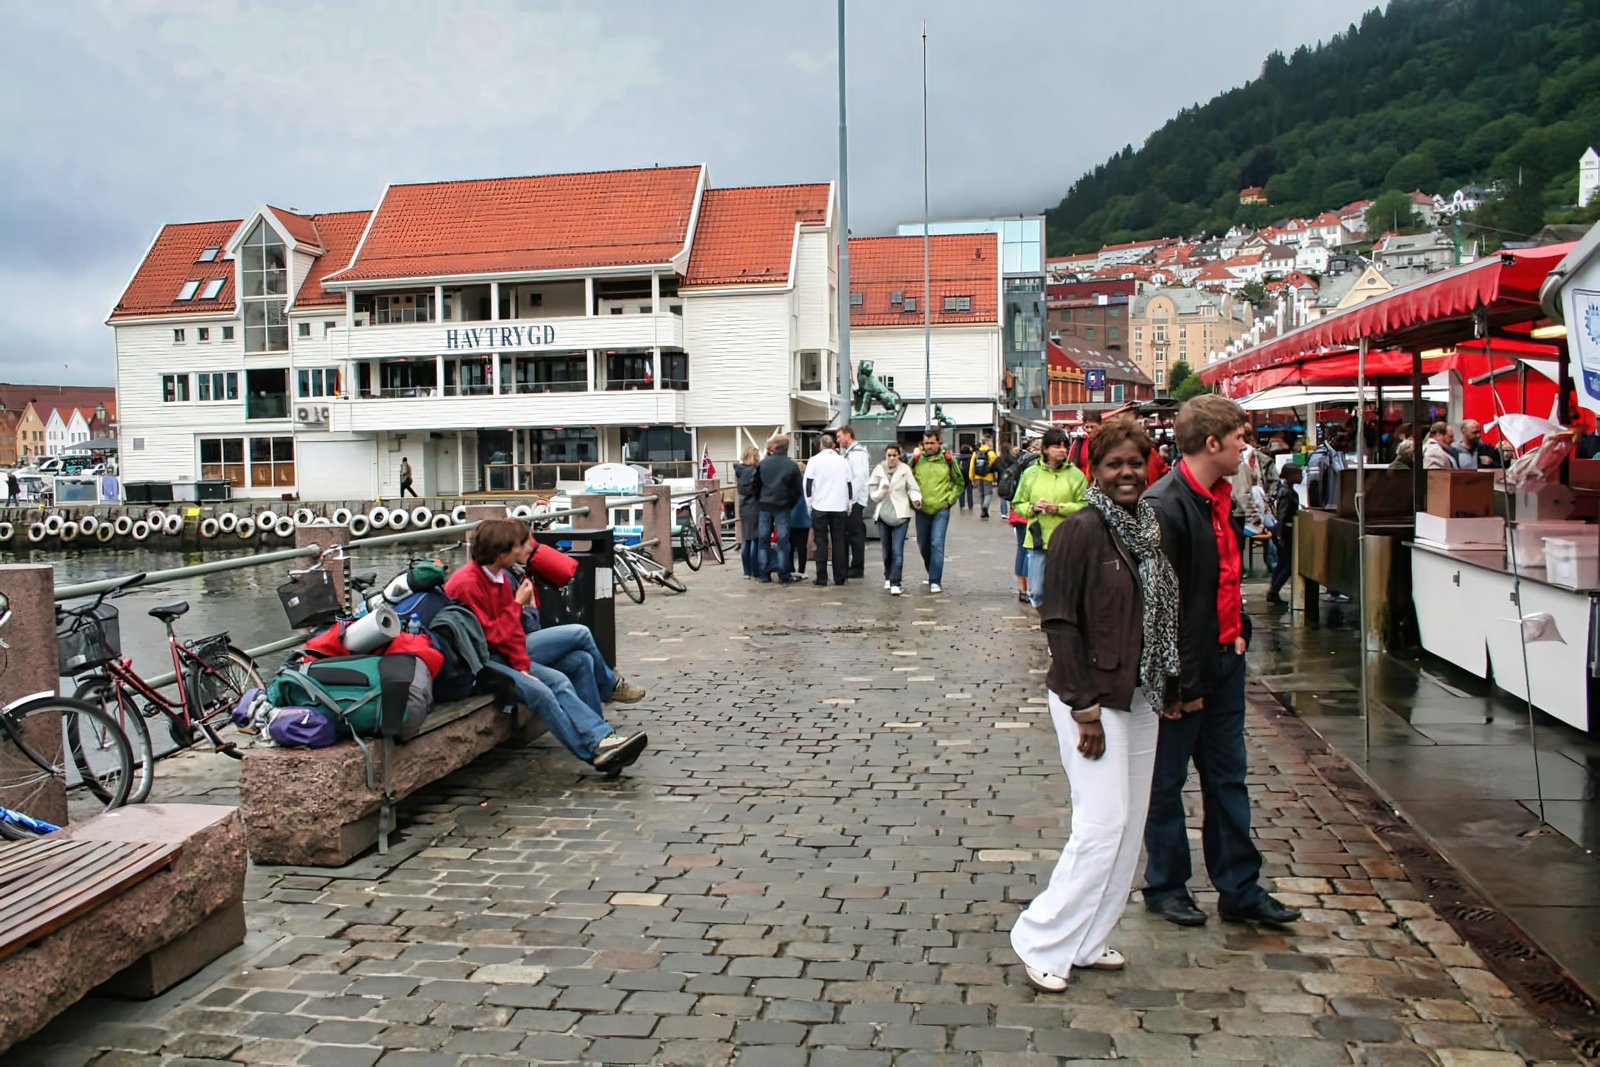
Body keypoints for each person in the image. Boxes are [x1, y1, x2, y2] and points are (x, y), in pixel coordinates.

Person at [1010, 416, 1180, 992]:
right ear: (1095, 471)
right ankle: (1042, 937)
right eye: (1115, 465)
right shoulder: (1081, 531)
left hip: (1141, 693)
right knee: (1102, 823)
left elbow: (1161, 615)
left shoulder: (1149, 528)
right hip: (1092, 698)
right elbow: (1059, 620)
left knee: (1129, 824)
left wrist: (1169, 684)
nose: (1127, 473)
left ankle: (1087, 937)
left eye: (1136, 463)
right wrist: (1083, 707)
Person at [1141, 394, 1301, 928]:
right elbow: (1162, 606)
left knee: (1228, 778)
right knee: (1167, 782)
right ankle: (1166, 885)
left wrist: (1240, 633)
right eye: (1239, 439)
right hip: (1188, 667)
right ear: (1213, 442)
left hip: (1226, 659)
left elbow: (1224, 578)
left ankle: (1238, 887)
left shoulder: (1217, 496)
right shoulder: (1166, 505)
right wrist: (1176, 684)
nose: (1245, 448)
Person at [445, 519, 646, 771]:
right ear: (503, 550)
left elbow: (513, 634)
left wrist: (523, 666)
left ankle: (603, 739)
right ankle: (593, 750)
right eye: (521, 544)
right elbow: (490, 638)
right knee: (544, 690)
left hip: (502, 654)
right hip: (480, 663)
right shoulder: (467, 583)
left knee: (579, 662)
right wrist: (518, 605)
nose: (528, 548)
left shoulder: (499, 578)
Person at [509, 529, 647, 711]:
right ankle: (610, 685)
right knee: (581, 633)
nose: (532, 547)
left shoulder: (518, 572)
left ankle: (598, 733)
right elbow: (511, 627)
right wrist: (525, 605)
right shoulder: (505, 579)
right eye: (526, 544)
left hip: (525, 640)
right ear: (510, 549)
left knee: (582, 659)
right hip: (513, 650)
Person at [1011, 428, 1088, 610]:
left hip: (1067, 539)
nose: (1062, 450)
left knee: (1064, 590)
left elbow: (1085, 505)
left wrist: (1059, 509)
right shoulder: (1031, 474)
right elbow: (1018, 503)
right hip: (1038, 538)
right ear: (1045, 449)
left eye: (1065, 447)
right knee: (1036, 591)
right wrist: (1032, 508)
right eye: (1057, 446)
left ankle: (1059, 625)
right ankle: (1045, 617)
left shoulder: (1075, 475)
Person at [909, 430, 964, 594]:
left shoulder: (948, 460)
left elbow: (959, 482)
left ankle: (935, 580)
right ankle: (931, 569)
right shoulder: (916, 460)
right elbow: (908, 480)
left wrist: (950, 500)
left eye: (932, 443)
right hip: (922, 509)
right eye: (926, 443)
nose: (929, 446)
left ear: (939, 442)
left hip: (941, 508)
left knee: (936, 543)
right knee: (923, 544)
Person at [867, 444, 921, 595]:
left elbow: (912, 488)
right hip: (883, 514)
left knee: (897, 550)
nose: (891, 458)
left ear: (899, 456)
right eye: (889, 455)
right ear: (885, 456)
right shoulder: (879, 470)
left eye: (894, 455)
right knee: (886, 550)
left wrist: (916, 499)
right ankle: (888, 577)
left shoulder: (905, 469)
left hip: (901, 514)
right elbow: (873, 495)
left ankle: (895, 582)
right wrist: (882, 491)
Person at [751, 434, 803, 583]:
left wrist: (759, 499)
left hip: (764, 505)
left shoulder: (763, 463)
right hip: (782, 506)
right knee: (783, 541)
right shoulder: (791, 465)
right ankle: (783, 574)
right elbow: (797, 490)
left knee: (763, 541)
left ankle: (764, 573)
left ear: (774, 447)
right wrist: (789, 503)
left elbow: (754, 484)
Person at [805, 434, 853, 586]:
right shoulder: (842, 461)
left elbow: (808, 485)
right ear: (833, 445)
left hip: (820, 506)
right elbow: (849, 484)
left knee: (821, 542)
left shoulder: (813, 461)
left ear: (821, 446)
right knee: (839, 541)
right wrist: (849, 503)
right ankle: (840, 577)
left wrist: (810, 503)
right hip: (839, 506)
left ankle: (822, 577)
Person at [1005, 440, 1042, 603]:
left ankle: (1022, 589)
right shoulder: (1036, 464)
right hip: (1031, 511)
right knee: (1032, 550)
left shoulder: (1020, 460)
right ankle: (1032, 588)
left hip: (1017, 510)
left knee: (1021, 549)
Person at [836, 425, 871, 578]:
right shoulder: (851, 453)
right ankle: (852, 566)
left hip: (855, 501)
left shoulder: (857, 454)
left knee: (854, 534)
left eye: (839, 436)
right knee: (849, 534)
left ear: (848, 435)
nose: (838, 440)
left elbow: (858, 478)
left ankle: (857, 567)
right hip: (852, 500)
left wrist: (850, 500)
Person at [1266, 464, 1302, 605]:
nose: (1301, 477)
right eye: (1298, 474)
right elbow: (1281, 514)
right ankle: (1274, 590)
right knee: (1286, 564)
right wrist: (1280, 535)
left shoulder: (1288, 491)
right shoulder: (1286, 493)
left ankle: (1274, 590)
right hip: (1284, 531)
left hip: (1286, 530)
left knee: (1283, 563)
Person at [734, 446, 763, 579]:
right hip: (755, 507)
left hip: (744, 507)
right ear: (754, 456)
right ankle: (755, 571)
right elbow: (756, 490)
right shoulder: (753, 471)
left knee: (746, 540)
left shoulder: (739, 471)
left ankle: (747, 571)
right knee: (755, 540)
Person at [1304, 426, 1349, 508]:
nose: (1344, 443)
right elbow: (1313, 485)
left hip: (1339, 506)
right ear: (1331, 439)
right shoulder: (1319, 456)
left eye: (1346, 439)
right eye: (1341, 439)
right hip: (1327, 508)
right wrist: (1316, 510)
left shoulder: (1340, 454)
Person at [788, 464, 813, 581]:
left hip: (789, 519)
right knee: (802, 547)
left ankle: (791, 569)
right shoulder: (805, 483)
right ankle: (801, 570)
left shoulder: (788, 483)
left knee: (790, 546)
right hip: (803, 520)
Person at [968, 435, 998, 519]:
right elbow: (995, 465)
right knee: (988, 493)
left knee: (981, 494)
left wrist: (972, 478)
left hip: (977, 476)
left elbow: (972, 466)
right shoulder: (991, 453)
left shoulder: (975, 453)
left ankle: (983, 512)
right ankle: (985, 507)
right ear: (988, 443)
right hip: (988, 476)